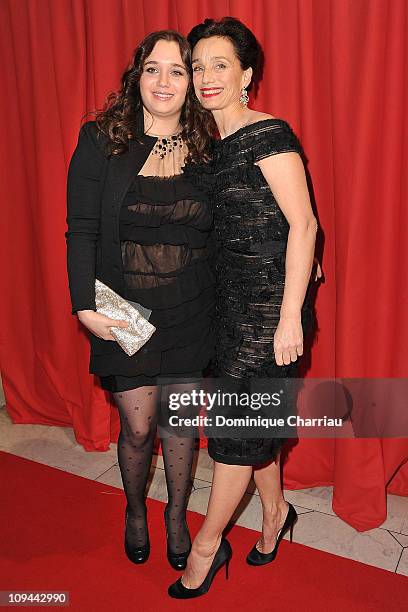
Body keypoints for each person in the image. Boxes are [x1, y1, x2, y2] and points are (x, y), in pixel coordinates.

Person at [169, 17, 318, 598]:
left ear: (246, 74)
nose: (206, 77)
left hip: (267, 314)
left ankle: (206, 547)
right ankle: (276, 514)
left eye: (220, 64)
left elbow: (303, 224)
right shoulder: (205, 147)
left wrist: (289, 317)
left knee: (233, 433)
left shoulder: (268, 134)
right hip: (222, 309)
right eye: (198, 65)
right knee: (252, 426)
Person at [66, 30, 216, 570]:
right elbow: (81, 229)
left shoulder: (207, 147)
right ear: (138, 76)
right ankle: (135, 511)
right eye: (154, 68)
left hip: (192, 306)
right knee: (136, 426)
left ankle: (176, 517)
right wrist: (86, 305)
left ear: (192, 83)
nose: (165, 81)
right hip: (124, 306)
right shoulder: (102, 139)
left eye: (178, 70)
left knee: (180, 423)